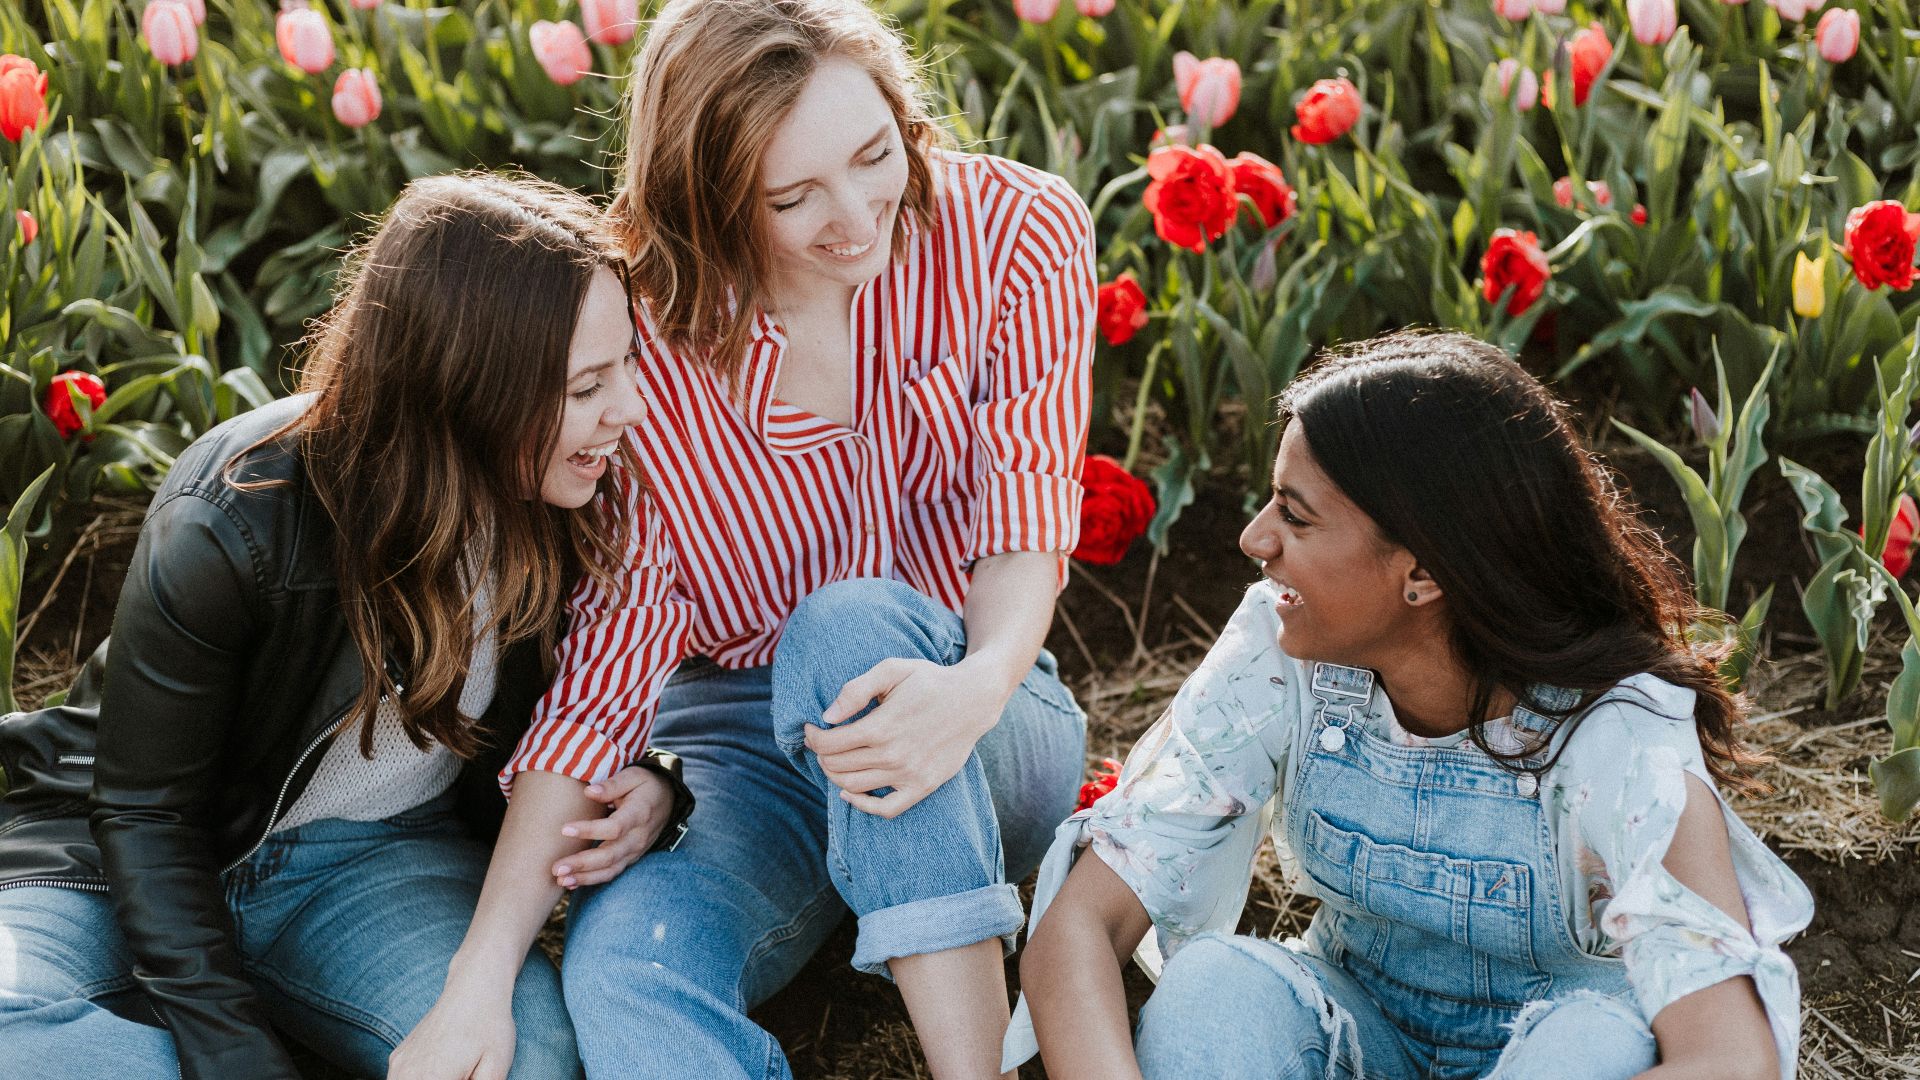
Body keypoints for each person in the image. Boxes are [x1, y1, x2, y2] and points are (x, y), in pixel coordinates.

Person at [399, 0, 1096, 1076]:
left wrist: (980, 683)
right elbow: (607, 672)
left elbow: (1027, 512)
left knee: (850, 628)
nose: (856, 219)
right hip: (746, 746)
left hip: (981, 707)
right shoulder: (649, 342)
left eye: (873, 158)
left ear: (902, 118)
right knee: (625, 973)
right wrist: (480, 981)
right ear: (707, 201)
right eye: (792, 196)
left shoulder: (1016, 232)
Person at [0, 172, 684, 1080]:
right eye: (588, 385)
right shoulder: (234, 519)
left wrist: (654, 782)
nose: (628, 410)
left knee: (526, 1064)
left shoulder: (581, 502)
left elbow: (604, 698)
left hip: (371, 864)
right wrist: (232, 1055)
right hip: (117, 853)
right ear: (465, 388)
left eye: (626, 363)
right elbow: (144, 812)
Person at [1010, 331, 1813, 1080]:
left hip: (1557, 1050)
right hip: (1359, 1034)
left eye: (1295, 515)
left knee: (1592, 1044)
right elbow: (1077, 933)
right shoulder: (1282, 655)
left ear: (1424, 575)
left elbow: (1729, 1058)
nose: (1255, 539)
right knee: (1215, 991)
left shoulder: (1616, 733)